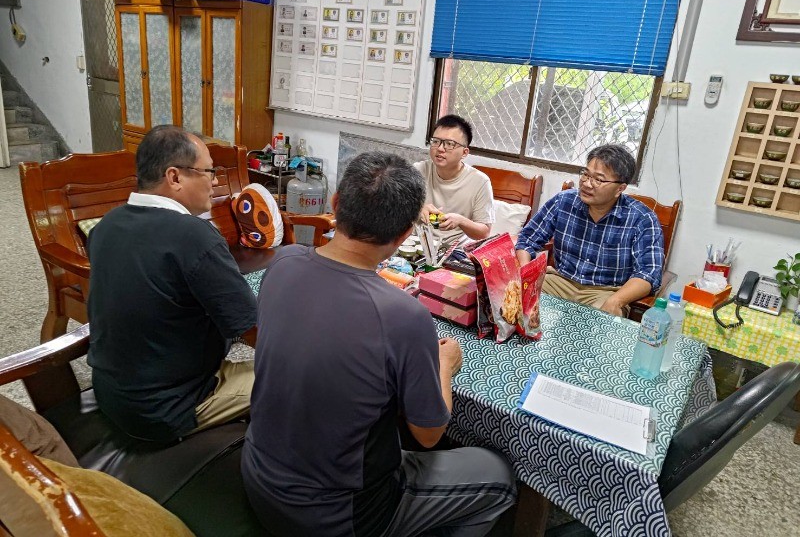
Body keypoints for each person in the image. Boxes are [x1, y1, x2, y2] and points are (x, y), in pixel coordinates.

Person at [243, 152, 516, 537]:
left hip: (258, 475)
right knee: (497, 475)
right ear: (405, 234)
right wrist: (444, 363)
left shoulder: (282, 263)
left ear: (336, 203)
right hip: (336, 514)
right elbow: (428, 434)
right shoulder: (403, 315)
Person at [87, 125, 257, 442]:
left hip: (112, 394)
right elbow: (253, 330)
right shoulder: (194, 236)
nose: (216, 180)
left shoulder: (106, 226)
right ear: (175, 177)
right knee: (295, 377)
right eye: (209, 171)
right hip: (169, 408)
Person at [515, 144, 664, 317]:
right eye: (585, 174)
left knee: (603, 320)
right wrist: (526, 274)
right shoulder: (564, 201)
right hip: (560, 281)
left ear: (620, 188)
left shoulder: (642, 218)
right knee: (515, 301)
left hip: (605, 291)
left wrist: (616, 300)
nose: (586, 183)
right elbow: (527, 239)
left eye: (598, 179)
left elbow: (649, 273)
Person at [414, 115, 495, 245]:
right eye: (436, 141)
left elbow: (484, 232)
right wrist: (419, 210)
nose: (440, 148)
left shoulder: (480, 182)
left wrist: (461, 221)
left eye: (449, 144)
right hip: (417, 245)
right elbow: (394, 207)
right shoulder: (418, 170)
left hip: (455, 251)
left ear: (464, 152)